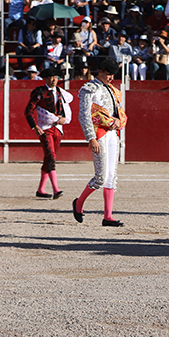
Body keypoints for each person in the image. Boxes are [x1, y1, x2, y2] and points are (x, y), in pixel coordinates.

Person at [73, 59, 127, 227]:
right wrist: (91, 138)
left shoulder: (111, 89)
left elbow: (116, 111)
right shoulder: (89, 88)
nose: (111, 78)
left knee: (112, 177)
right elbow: (84, 115)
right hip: (99, 135)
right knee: (101, 177)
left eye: (113, 75)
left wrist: (118, 120)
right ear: (100, 71)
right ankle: (79, 203)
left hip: (112, 134)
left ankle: (108, 217)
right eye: (109, 74)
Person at [24, 67, 73, 199]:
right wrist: (34, 126)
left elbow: (65, 109)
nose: (53, 80)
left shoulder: (60, 92)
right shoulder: (39, 92)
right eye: (51, 77)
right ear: (45, 79)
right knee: (51, 156)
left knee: (49, 157)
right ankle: (56, 189)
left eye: (55, 77)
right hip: (45, 128)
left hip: (58, 128)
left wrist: (64, 119)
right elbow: (28, 111)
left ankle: (41, 190)